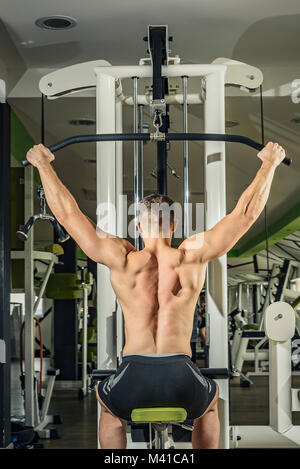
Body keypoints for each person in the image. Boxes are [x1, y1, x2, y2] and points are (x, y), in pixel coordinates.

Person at [26, 141, 286, 449]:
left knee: (109, 410)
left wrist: (44, 165)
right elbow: (245, 214)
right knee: (210, 406)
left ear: (137, 225)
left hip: (133, 371)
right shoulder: (192, 255)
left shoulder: (122, 257)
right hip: (181, 374)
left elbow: (68, 215)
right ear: (174, 225)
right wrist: (268, 164)